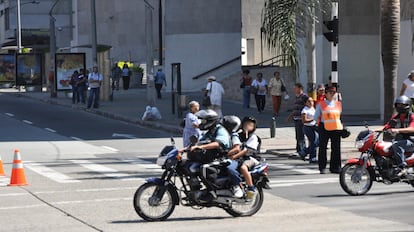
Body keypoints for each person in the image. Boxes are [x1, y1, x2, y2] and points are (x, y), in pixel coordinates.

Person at [382, 96, 414, 177]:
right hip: (403, 141)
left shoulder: (412, 116)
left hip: (412, 141)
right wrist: (373, 130)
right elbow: (387, 126)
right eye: (398, 105)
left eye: (402, 105)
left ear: (408, 105)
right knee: (384, 148)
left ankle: (402, 167)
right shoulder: (396, 117)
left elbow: (412, 129)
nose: (400, 107)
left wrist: (398, 130)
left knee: (397, 144)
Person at [314, 86, 343, 174]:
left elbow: (339, 116)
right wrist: (318, 125)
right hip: (324, 127)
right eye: (330, 92)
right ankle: (322, 167)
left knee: (336, 148)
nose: (332, 94)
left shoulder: (338, 104)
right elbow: (316, 117)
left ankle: (335, 167)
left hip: (336, 128)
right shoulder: (321, 104)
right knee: (323, 148)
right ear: (326, 94)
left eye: (334, 92)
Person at [230, 116, 260, 199]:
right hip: (239, 158)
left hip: (250, 158)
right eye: (246, 124)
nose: (247, 126)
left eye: (250, 125)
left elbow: (246, 150)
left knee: (243, 168)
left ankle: (251, 188)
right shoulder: (238, 135)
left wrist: (234, 156)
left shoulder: (253, 137)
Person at [221, 115, 244, 198]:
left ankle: (237, 186)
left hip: (234, 159)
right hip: (224, 158)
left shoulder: (233, 135)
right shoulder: (223, 134)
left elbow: (237, 148)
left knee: (230, 168)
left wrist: (225, 154)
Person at [287, 83, 309, 155]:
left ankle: (303, 150)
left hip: (301, 118)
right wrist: (290, 116)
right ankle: (299, 149)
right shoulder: (297, 97)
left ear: (300, 88)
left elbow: (309, 105)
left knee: (301, 135)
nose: (294, 90)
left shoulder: (304, 97)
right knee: (298, 135)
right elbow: (295, 109)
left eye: (295, 88)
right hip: (296, 118)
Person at [299, 97, 319, 163]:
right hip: (308, 127)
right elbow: (304, 121)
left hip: (314, 126)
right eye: (309, 101)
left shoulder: (313, 108)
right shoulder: (305, 110)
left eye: (312, 101)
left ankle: (304, 152)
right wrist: (313, 119)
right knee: (313, 142)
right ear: (305, 103)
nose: (311, 103)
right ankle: (312, 157)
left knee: (317, 141)